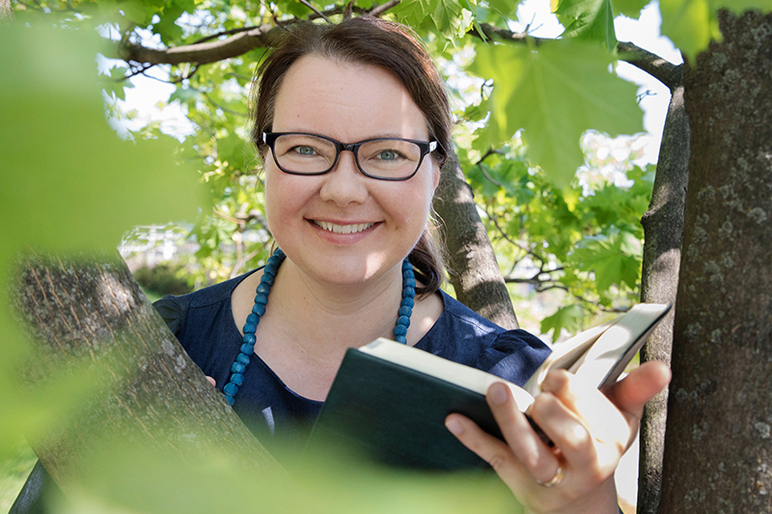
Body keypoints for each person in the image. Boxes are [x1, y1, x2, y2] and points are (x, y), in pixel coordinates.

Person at [12, 15, 671, 514]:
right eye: (305, 148)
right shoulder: (154, 350)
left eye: (385, 153)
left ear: (435, 168)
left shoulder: (516, 386)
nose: (344, 189)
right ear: (264, 158)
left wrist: (587, 508)